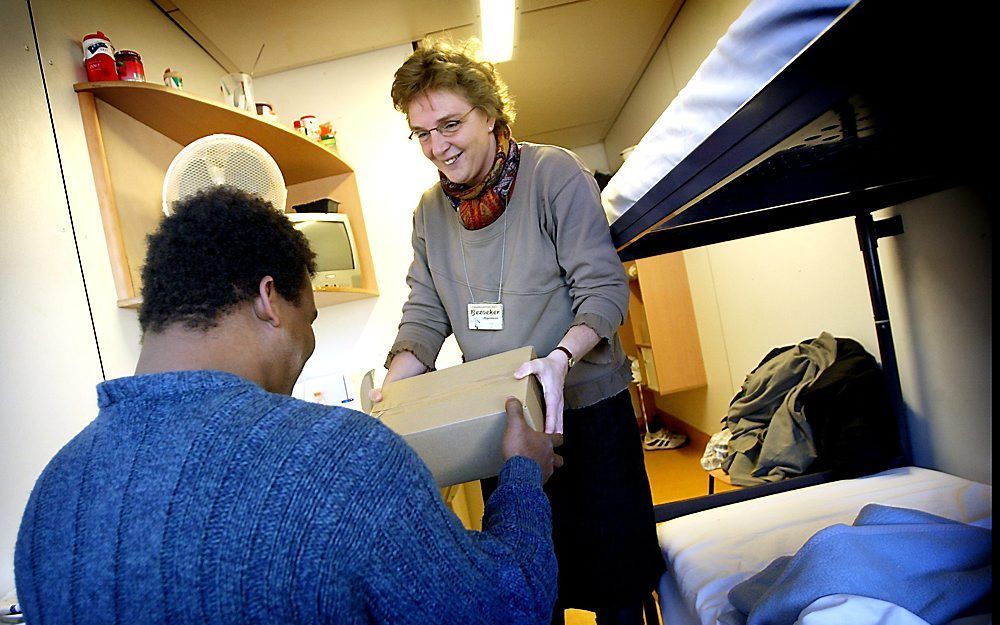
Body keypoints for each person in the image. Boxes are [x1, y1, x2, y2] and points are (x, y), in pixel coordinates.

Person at [14, 186, 564, 625]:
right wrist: (520, 478)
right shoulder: (343, 455)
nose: (306, 349)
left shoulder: (52, 496)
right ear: (268, 299)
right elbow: (507, 609)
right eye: (311, 323)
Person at [379, 40, 665, 624]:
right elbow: (425, 314)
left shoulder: (552, 173)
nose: (438, 147)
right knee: (528, 582)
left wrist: (561, 358)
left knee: (617, 581)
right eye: (423, 134)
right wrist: (392, 399)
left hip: (585, 410)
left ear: (489, 112)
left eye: (450, 125)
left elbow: (604, 290)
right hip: (503, 423)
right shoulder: (430, 213)